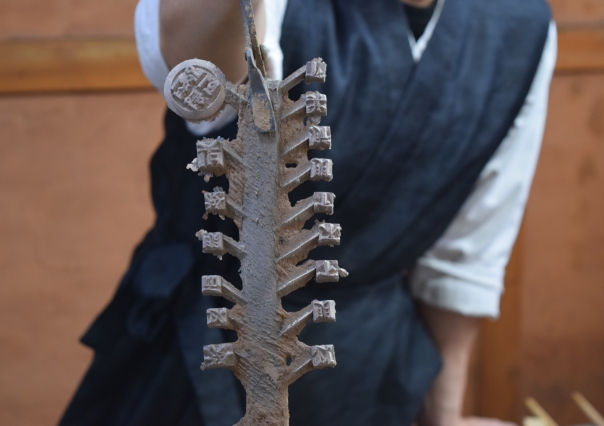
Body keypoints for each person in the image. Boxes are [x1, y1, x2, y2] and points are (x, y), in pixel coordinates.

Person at [60, 0, 557, 425]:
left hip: (367, 368)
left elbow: (464, 258)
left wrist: (443, 415)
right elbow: (196, 75)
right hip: (199, 349)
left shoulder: (519, 25)